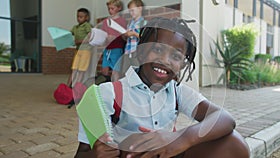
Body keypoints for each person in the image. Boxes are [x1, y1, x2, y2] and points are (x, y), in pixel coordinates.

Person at [74, 17, 250, 158]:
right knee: (135, 143)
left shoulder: (177, 91)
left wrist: (180, 138)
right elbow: (81, 153)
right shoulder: (109, 93)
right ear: (141, 51)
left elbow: (225, 119)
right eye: (157, 50)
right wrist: (95, 154)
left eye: (176, 55)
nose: (165, 60)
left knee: (233, 143)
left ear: (183, 65)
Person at [100, 0, 127, 81]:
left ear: (119, 8)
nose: (110, 11)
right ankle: (106, 85)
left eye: (112, 8)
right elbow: (103, 33)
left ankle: (115, 87)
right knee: (104, 68)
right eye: (109, 9)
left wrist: (115, 36)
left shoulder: (122, 21)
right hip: (107, 48)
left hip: (117, 48)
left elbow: (124, 35)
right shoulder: (106, 21)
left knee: (116, 70)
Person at [67, 8, 93, 87]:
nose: (79, 18)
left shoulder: (87, 26)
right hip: (78, 51)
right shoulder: (75, 27)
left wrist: (79, 41)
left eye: (81, 17)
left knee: (81, 70)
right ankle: (67, 86)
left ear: (87, 18)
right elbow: (69, 34)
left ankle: (76, 87)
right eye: (77, 16)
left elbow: (90, 37)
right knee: (74, 69)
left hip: (86, 51)